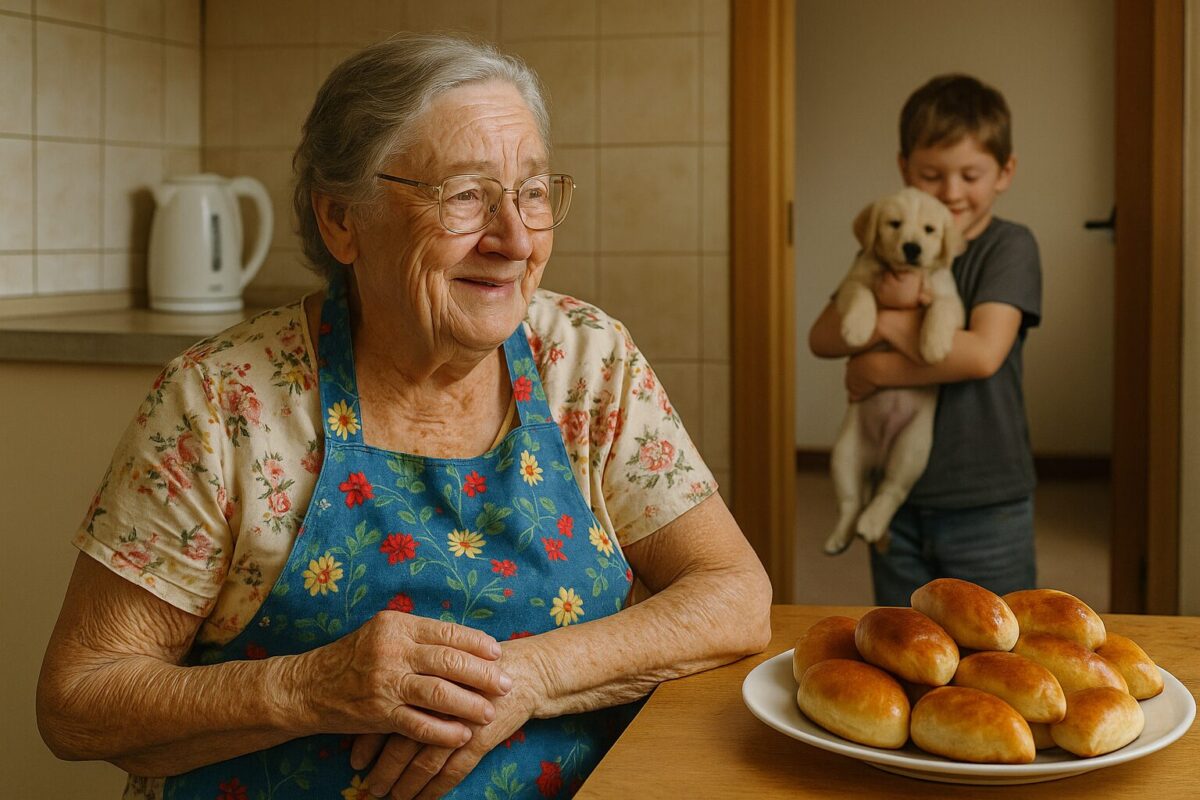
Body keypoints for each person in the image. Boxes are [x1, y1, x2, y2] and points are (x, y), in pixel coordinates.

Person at [36, 33, 772, 800]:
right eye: (465, 195)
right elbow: (77, 701)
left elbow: (734, 593)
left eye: (531, 191)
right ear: (340, 219)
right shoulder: (222, 404)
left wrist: (527, 676)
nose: (516, 239)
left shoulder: (586, 361)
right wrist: (311, 688)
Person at [808, 74, 1042, 607]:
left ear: (1004, 173)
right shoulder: (889, 242)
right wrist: (872, 311)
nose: (951, 192)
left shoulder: (1010, 247)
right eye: (932, 175)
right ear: (904, 169)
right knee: (905, 631)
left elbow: (980, 355)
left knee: (998, 633)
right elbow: (823, 336)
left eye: (970, 175)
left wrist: (878, 358)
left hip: (987, 498)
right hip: (897, 495)